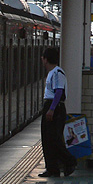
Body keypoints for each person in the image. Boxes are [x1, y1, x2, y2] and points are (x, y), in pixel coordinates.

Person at [39, 47, 76, 177]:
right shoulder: (52, 73)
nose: (42, 60)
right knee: (47, 139)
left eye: (43, 58)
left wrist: (52, 109)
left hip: (55, 107)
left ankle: (69, 161)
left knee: (54, 138)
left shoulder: (57, 73)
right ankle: (52, 168)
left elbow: (59, 92)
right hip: (51, 106)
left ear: (46, 59)